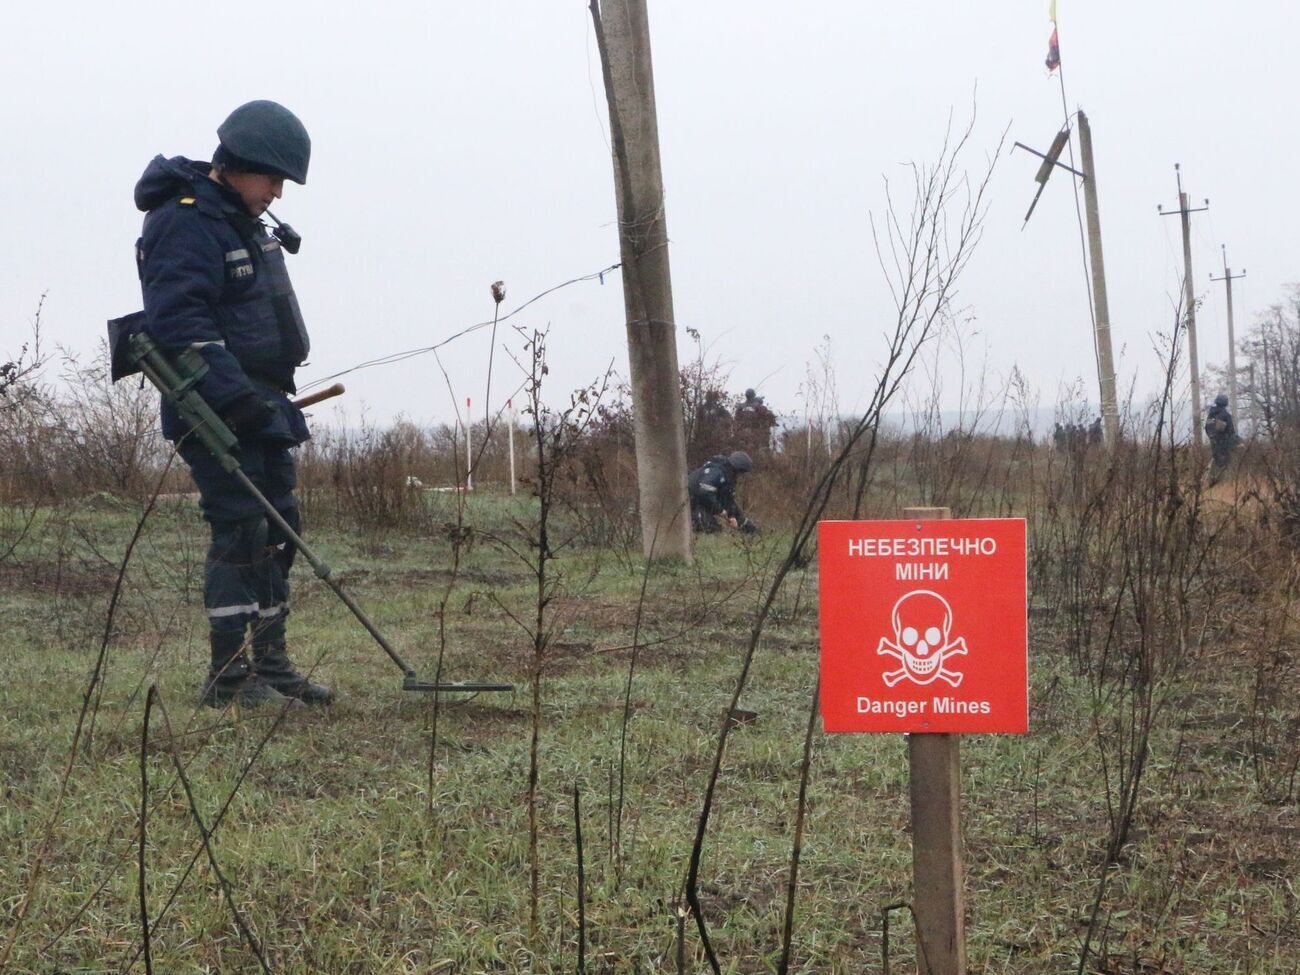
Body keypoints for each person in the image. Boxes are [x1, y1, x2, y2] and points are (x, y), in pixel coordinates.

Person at [133, 100, 331, 707]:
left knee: (279, 528)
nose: (277, 193)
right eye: (273, 178)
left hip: (264, 403)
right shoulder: (184, 222)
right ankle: (228, 677)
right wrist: (233, 399)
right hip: (216, 410)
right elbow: (181, 323)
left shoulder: (239, 221)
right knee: (241, 527)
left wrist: (259, 401)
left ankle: (272, 663)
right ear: (240, 164)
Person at [688, 451, 756, 533]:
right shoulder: (716, 471)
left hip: (698, 504)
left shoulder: (727, 478)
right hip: (690, 504)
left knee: (714, 528)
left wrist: (736, 518)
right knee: (709, 528)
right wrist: (719, 510)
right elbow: (705, 492)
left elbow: (728, 501)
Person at [1204, 393, 1241, 486]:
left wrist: (1213, 438)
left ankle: (1212, 480)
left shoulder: (1210, 415)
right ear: (1226, 403)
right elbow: (1231, 431)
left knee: (1216, 461)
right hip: (1224, 444)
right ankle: (1225, 482)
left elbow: (1206, 429)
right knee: (1226, 463)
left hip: (1213, 443)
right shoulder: (1226, 415)